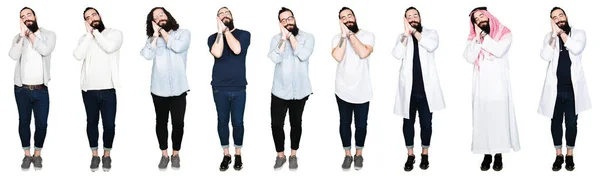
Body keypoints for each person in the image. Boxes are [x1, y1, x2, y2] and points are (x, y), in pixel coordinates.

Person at [463, 6, 520, 171]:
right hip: (481, 88)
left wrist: (484, 38)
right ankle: (486, 154)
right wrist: (477, 39)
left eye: (482, 16)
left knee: (499, 120)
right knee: (483, 121)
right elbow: (469, 57)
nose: (480, 20)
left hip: (498, 86)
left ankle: (498, 154)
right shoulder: (473, 39)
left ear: (489, 16)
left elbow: (498, 50)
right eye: (476, 19)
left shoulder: (504, 33)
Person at [391, 6, 445, 171]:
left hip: (426, 92)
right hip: (409, 92)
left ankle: (425, 154)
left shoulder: (430, 33)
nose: (413, 18)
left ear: (420, 18)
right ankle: (410, 155)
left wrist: (415, 33)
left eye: (415, 15)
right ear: (405, 20)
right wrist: (407, 35)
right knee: (408, 124)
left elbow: (431, 46)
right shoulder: (402, 37)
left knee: (426, 124)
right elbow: (396, 54)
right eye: (409, 16)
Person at [538, 7, 590, 172]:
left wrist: (560, 33)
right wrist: (554, 36)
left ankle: (569, 155)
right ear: (551, 21)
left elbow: (576, 48)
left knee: (572, 124)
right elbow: (545, 56)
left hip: (573, 91)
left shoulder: (579, 33)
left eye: (561, 15)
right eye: (554, 17)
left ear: (566, 16)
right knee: (555, 123)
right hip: (554, 91)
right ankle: (558, 155)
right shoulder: (549, 37)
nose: (558, 18)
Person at [73, 7, 123, 172]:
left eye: (93, 14)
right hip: (89, 90)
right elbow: (78, 55)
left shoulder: (114, 33)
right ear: (85, 22)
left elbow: (109, 47)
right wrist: (89, 34)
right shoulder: (85, 38)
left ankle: (107, 155)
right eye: (87, 17)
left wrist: (96, 33)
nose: (91, 18)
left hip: (108, 89)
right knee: (91, 122)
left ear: (100, 16)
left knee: (109, 125)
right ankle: (95, 155)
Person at [140, 7, 191, 170]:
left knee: (178, 123)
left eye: (161, 14)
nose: (159, 17)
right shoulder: (152, 38)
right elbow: (147, 55)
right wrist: (155, 35)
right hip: (159, 90)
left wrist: (162, 32)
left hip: (179, 89)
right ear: (153, 22)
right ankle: (164, 155)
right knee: (161, 122)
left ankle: (176, 154)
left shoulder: (183, 33)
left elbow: (177, 47)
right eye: (155, 17)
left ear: (168, 16)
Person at [267, 7, 315, 170]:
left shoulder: (308, 37)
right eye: (283, 20)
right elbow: (274, 57)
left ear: (294, 19)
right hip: (279, 91)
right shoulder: (276, 39)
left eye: (290, 18)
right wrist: (283, 38)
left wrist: (291, 38)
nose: (288, 22)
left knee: (296, 123)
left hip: (300, 91)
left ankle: (293, 155)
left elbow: (303, 55)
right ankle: (280, 155)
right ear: (279, 23)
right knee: (276, 124)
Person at [9, 7, 56, 171]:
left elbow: (45, 50)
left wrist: (30, 34)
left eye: (28, 14)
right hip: (21, 89)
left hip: (41, 89)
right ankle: (27, 155)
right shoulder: (18, 37)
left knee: (42, 124)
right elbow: (13, 55)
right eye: (22, 16)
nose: (26, 18)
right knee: (24, 122)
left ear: (35, 16)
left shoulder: (49, 35)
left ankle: (37, 154)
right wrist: (23, 36)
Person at [207, 6, 251, 171]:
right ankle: (226, 154)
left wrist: (225, 31)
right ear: (217, 19)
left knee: (238, 122)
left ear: (232, 16)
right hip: (219, 88)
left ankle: (238, 153)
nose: (224, 15)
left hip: (239, 87)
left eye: (227, 13)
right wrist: (220, 32)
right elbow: (217, 53)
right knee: (222, 121)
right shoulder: (213, 38)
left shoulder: (244, 34)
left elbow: (237, 49)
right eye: (220, 14)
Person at [331, 7, 375, 171]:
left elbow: (363, 53)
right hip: (342, 90)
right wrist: (344, 35)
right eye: (343, 17)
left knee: (361, 125)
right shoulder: (337, 38)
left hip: (363, 90)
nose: (347, 19)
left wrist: (350, 34)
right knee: (344, 123)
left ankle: (359, 154)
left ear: (355, 17)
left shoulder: (368, 35)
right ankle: (347, 155)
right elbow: (337, 56)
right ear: (340, 21)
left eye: (350, 15)